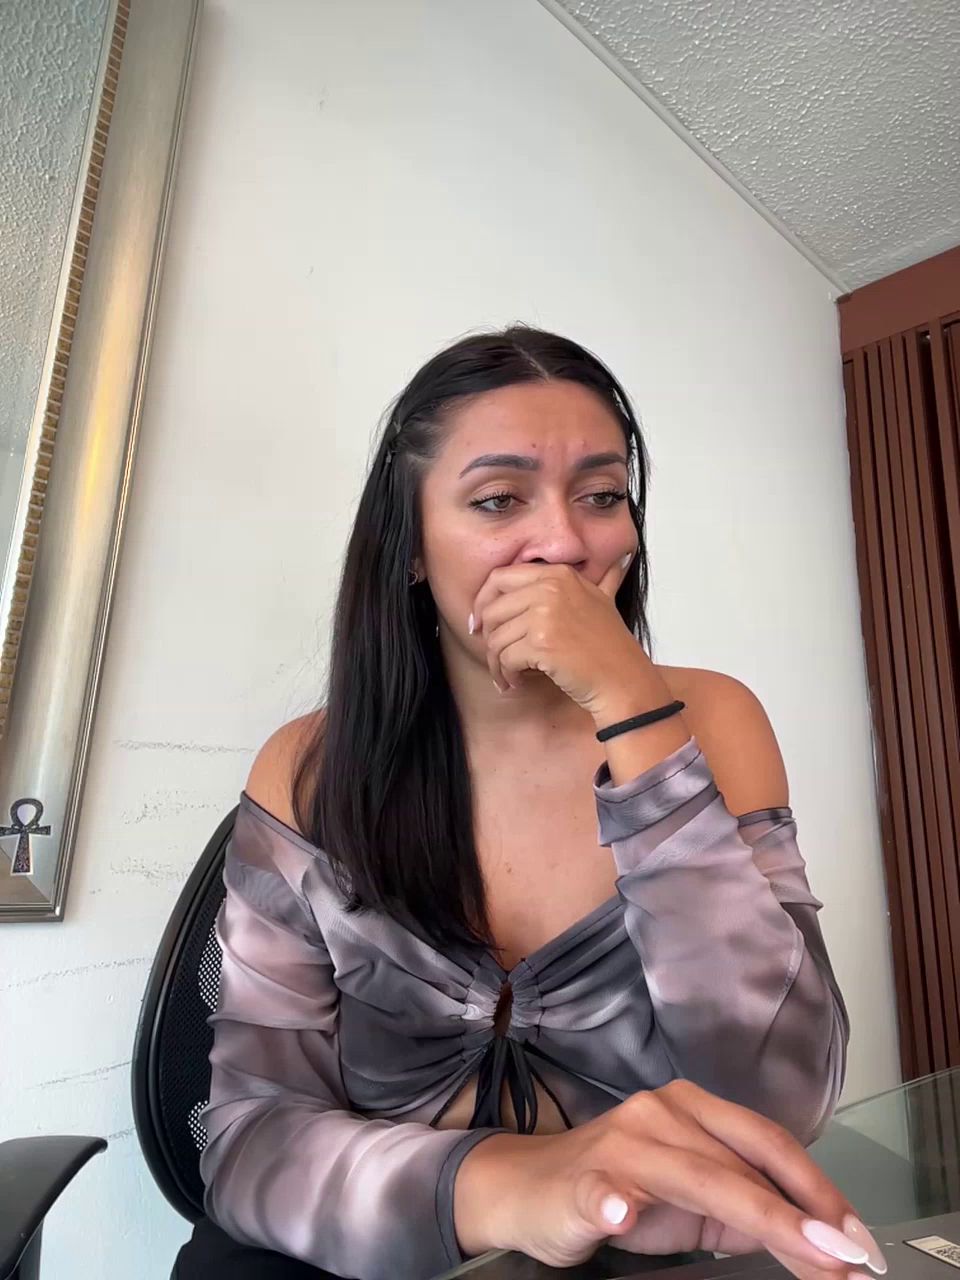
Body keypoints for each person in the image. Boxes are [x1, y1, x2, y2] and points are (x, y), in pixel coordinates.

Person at [175, 328, 880, 1280]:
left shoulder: (713, 719)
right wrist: (515, 1185)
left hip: (640, 1247)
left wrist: (635, 713)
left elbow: (778, 1101)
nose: (565, 544)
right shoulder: (308, 768)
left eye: (602, 495)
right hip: (360, 1247)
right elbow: (249, 1137)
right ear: (411, 546)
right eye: (499, 499)